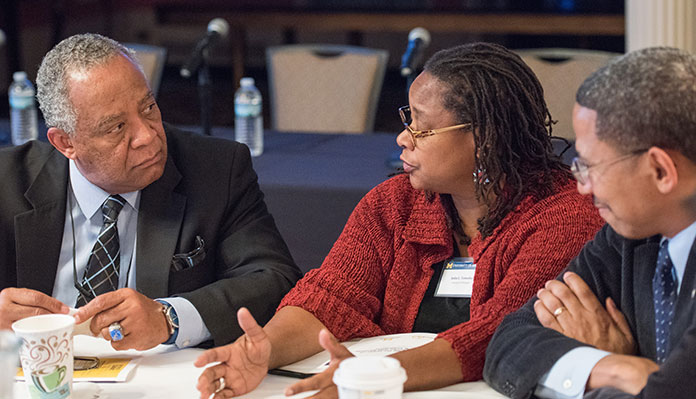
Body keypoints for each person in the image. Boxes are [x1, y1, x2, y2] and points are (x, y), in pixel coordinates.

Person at [194, 42, 605, 398]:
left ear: (487, 138)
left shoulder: (564, 215)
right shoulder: (395, 203)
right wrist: (262, 349)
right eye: (408, 120)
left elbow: (501, 334)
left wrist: (376, 375)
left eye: (422, 128)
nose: (403, 138)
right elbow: (330, 298)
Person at [0, 33, 302, 351]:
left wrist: (168, 317)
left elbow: (274, 277)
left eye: (148, 107)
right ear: (65, 143)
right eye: (116, 127)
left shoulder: (216, 169)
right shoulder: (8, 181)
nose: (147, 136)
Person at [484, 46, 696, 399]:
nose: (581, 186)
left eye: (589, 165)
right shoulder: (631, 234)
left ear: (660, 170)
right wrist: (613, 366)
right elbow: (509, 342)